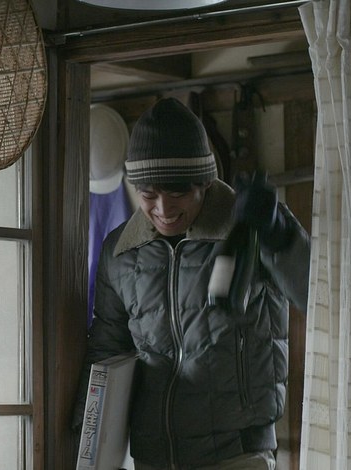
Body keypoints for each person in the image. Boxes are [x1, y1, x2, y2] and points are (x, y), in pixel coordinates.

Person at [74, 97, 310, 470]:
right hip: (152, 455)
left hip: (237, 453)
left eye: (178, 193)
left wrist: (278, 234)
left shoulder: (252, 226)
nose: (163, 209)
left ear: (205, 182)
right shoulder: (120, 250)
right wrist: (84, 434)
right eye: (149, 195)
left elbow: (315, 292)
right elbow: (108, 345)